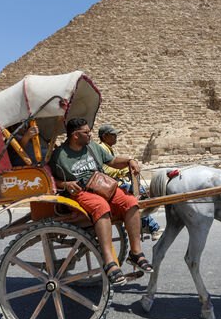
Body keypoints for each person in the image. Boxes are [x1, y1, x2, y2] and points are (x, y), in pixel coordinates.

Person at [49, 118, 153, 286]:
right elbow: (50, 180)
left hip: (103, 186)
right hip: (81, 192)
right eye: (87, 132)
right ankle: (109, 262)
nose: (90, 134)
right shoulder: (59, 155)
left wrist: (129, 161)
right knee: (100, 206)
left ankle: (136, 253)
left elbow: (111, 161)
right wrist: (65, 184)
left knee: (130, 201)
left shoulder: (93, 147)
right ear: (75, 135)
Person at [98, 124, 163, 241]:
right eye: (113, 135)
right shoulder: (102, 148)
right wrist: (124, 171)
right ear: (104, 136)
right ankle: (151, 227)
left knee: (142, 193)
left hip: (112, 182)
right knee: (135, 199)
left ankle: (144, 224)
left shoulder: (108, 148)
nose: (116, 137)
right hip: (110, 185)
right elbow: (105, 169)